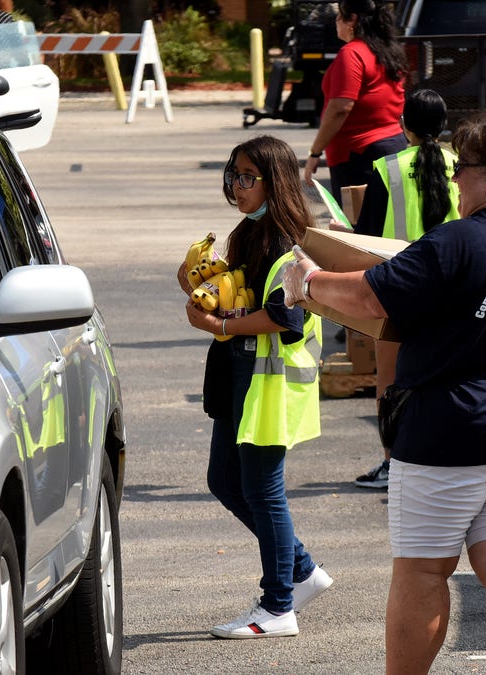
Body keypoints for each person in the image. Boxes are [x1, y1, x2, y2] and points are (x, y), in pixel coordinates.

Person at [282, 115, 486, 673]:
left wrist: (308, 283)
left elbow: (374, 300)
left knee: (424, 570)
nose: (455, 183)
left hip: (452, 424)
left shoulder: (458, 239)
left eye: (462, 172)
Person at [177, 135, 332, 639]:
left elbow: (284, 317)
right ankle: (303, 571)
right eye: (233, 176)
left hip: (269, 386)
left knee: (263, 492)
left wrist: (220, 328)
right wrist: (198, 287)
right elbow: (239, 296)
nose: (237, 186)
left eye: (247, 177)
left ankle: (278, 606)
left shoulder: (292, 243)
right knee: (224, 482)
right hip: (237, 378)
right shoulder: (247, 232)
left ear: (275, 181)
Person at [349, 87, 460, 489]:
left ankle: (393, 463)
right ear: (444, 125)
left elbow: (367, 238)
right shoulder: (463, 166)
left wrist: (340, 233)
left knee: (391, 383)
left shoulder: (387, 168)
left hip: (400, 291)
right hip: (455, 289)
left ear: (403, 125)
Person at [302, 0, 408, 209]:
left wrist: (315, 152)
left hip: (358, 155)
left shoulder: (351, 53)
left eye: (340, 16)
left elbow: (340, 107)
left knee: (358, 228)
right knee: (387, 223)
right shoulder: (388, 51)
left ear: (353, 21)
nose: (336, 21)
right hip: (392, 145)